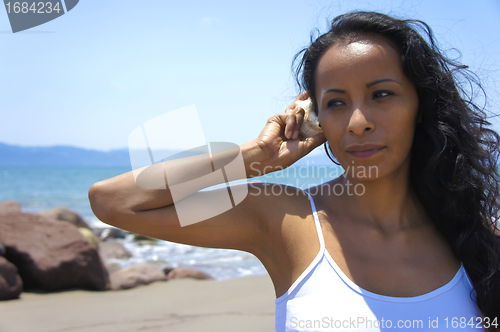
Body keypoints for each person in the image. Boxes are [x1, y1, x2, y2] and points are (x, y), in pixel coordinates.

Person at [88, 11, 500, 331]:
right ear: (316, 119)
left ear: (422, 105)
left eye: (381, 94)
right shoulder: (287, 220)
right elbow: (115, 201)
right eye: (336, 102)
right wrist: (259, 155)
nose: (358, 121)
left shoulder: (477, 239)